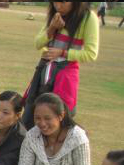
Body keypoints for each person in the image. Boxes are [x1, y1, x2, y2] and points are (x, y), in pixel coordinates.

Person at [22, 1, 99, 130]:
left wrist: (63, 53)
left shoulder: (88, 17)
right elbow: (38, 44)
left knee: (57, 120)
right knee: (31, 117)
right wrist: (52, 28)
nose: (58, 6)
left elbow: (91, 54)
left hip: (65, 75)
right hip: (45, 72)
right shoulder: (56, 14)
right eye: (55, 2)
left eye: (63, 2)